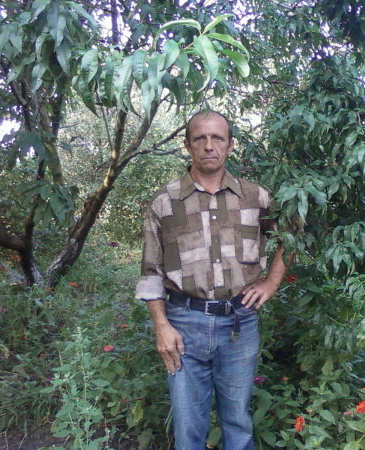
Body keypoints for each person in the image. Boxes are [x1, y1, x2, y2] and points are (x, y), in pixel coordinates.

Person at [135, 110, 287, 449]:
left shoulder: (257, 197)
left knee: (238, 422)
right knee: (188, 426)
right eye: (200, 138)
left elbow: (291, 238)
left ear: (230, 145)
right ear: (187, 145)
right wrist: (161, 326)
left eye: (217, 138)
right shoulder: (165, 202)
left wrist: (271, 283)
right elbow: (150, 270)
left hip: (239, 323)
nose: (209, 146)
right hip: (183, 325)